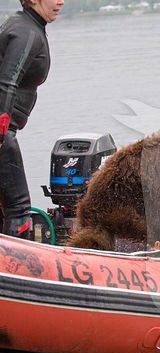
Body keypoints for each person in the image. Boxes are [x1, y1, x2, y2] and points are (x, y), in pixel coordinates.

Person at [0, 0, 63, 238]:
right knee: (18, 209)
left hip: (6, 129)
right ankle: (15, 268)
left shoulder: (21, 24)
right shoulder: (27, 32)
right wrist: (1, 131)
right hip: (3, 129)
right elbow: (7, 80)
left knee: (6, 207)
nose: (60, 1)